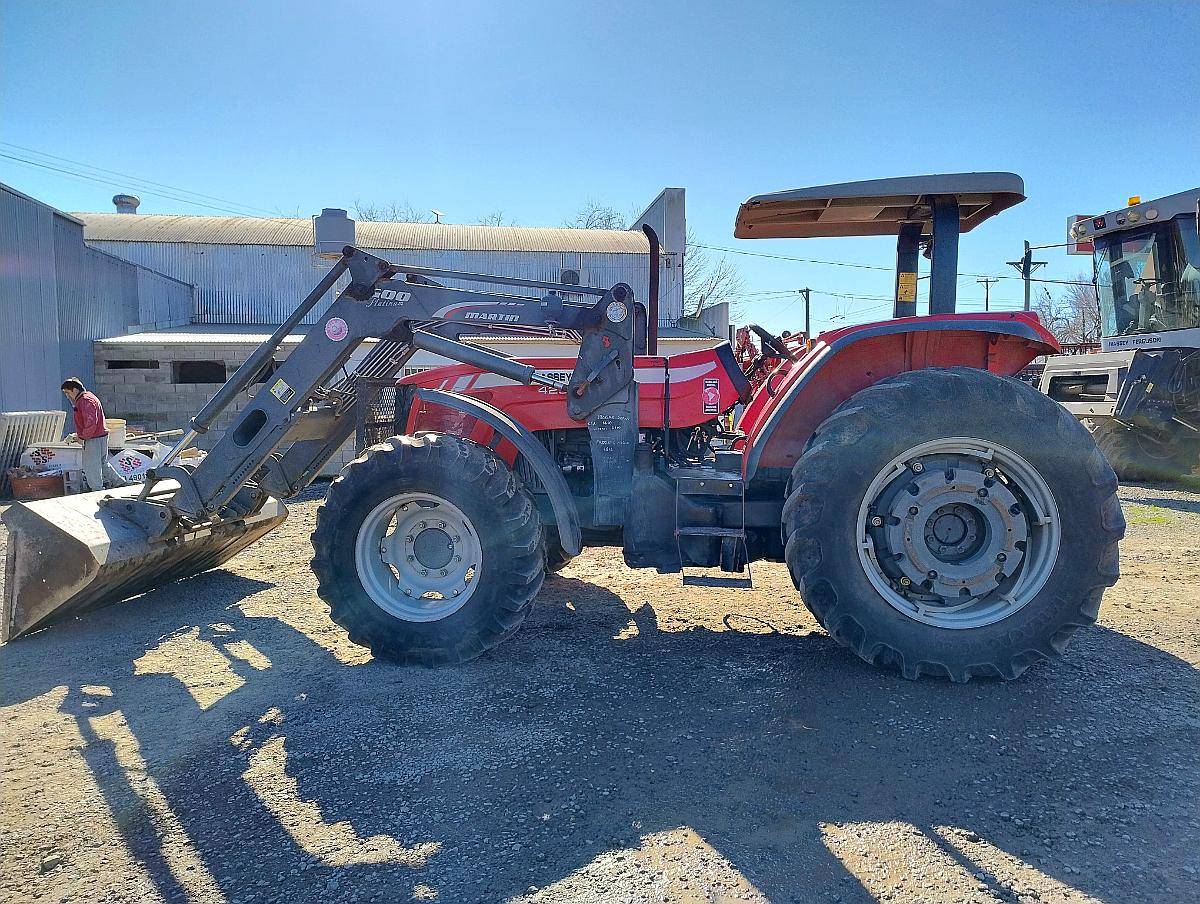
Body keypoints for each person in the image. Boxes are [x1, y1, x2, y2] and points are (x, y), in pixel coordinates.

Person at [61, 378, 108, 492]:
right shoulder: (90, 397)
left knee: (92, 467)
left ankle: (97, 492)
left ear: (75, 390)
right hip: (100, 436)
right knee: (103, 465)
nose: (67, 396)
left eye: (68, 392)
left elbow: (91, 421)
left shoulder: (85, 401)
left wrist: (82, 437)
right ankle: (121, 483)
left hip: (93, 439)